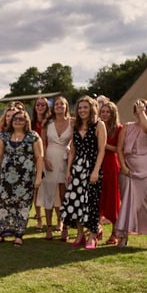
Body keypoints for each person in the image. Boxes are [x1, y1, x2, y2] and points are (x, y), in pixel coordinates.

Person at [116, 98, 147, 250]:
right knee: (127, 204)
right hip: (128, 171)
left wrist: (142, 112)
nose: (141, 113)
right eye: (137, 111)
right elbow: (120, 149)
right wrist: (123, 167)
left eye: (146, 110)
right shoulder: (127, 127)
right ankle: (123, 237)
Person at [0, 109, 44, 246]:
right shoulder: (5, 136)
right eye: (15, 119)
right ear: (11, 121)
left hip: (25, 179)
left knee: (23, 206)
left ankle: (19, 235)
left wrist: (38, 177)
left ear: (26, 121)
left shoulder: (33, 136)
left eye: (21, 119)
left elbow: (39, 158)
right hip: (5, 178)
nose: (18, 121)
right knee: (3, 204)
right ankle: (0, 233)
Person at [61, 95, 107, 250]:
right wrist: (69, 170)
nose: (82, 110)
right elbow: (72, 151)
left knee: (91, 203)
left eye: (85, 107)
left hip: (92, 168)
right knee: (75, 202)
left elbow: (101, 151)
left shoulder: (99, 125)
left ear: (92, 108)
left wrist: (95, 171)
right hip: (77, 169)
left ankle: (93, 235)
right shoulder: (75, 126)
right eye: (80, 108)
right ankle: (80, 234)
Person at [36, 96, 71, 240]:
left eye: (62, 104)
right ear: (53, 107)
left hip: (65, 160)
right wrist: (44, 160)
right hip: (49, 159)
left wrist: (69, 156)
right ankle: (49, 227)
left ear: (66, 106)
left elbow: (74, 143)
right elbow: (42, 143)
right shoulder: (47, 122)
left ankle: (65, 227)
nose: (59, 106)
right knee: (49, 194)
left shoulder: (72, 122)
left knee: (64, 196)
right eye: (56, 104)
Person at [99, 101, 122, 245]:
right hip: (98, 164)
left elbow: (119, 149)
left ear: (113, 113)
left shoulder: (119, 128)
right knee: (98, 198)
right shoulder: (97, 126)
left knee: (113, 199)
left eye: (107, 112)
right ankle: (97, 228)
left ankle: (115, 232)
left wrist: (103, 144)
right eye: (103, 112)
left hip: (111, 165)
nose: (105, 114)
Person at [30, 97, 52, 226]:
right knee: (36, 190)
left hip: (49, 157)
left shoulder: (51, 122)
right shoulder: (31, 123)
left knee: (50, 190)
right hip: (34, 159)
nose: (40, 106)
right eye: (38, 104)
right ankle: (39, 218)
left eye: (43, 104)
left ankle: (55, 220)